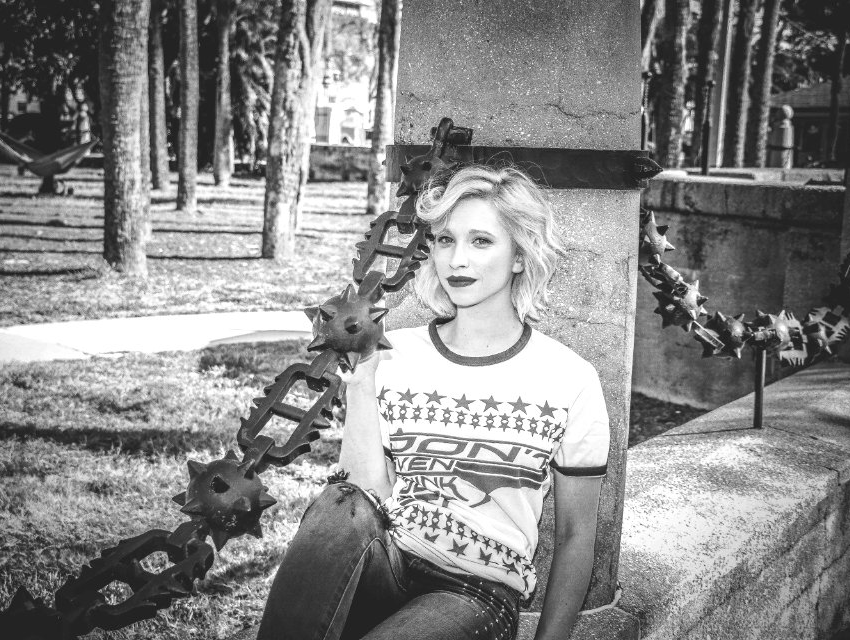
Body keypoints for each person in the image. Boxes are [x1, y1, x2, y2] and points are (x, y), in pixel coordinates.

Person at [257, 164, 610, 640]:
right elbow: (361, 497)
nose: (457, 260)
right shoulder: (393, 354)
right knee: (337, 502)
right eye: (445, 240)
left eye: (481, 241)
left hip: (476, 590)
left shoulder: (569, 379)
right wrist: (361, 387)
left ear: (520, 256)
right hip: (387, 558)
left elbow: (575, 538)